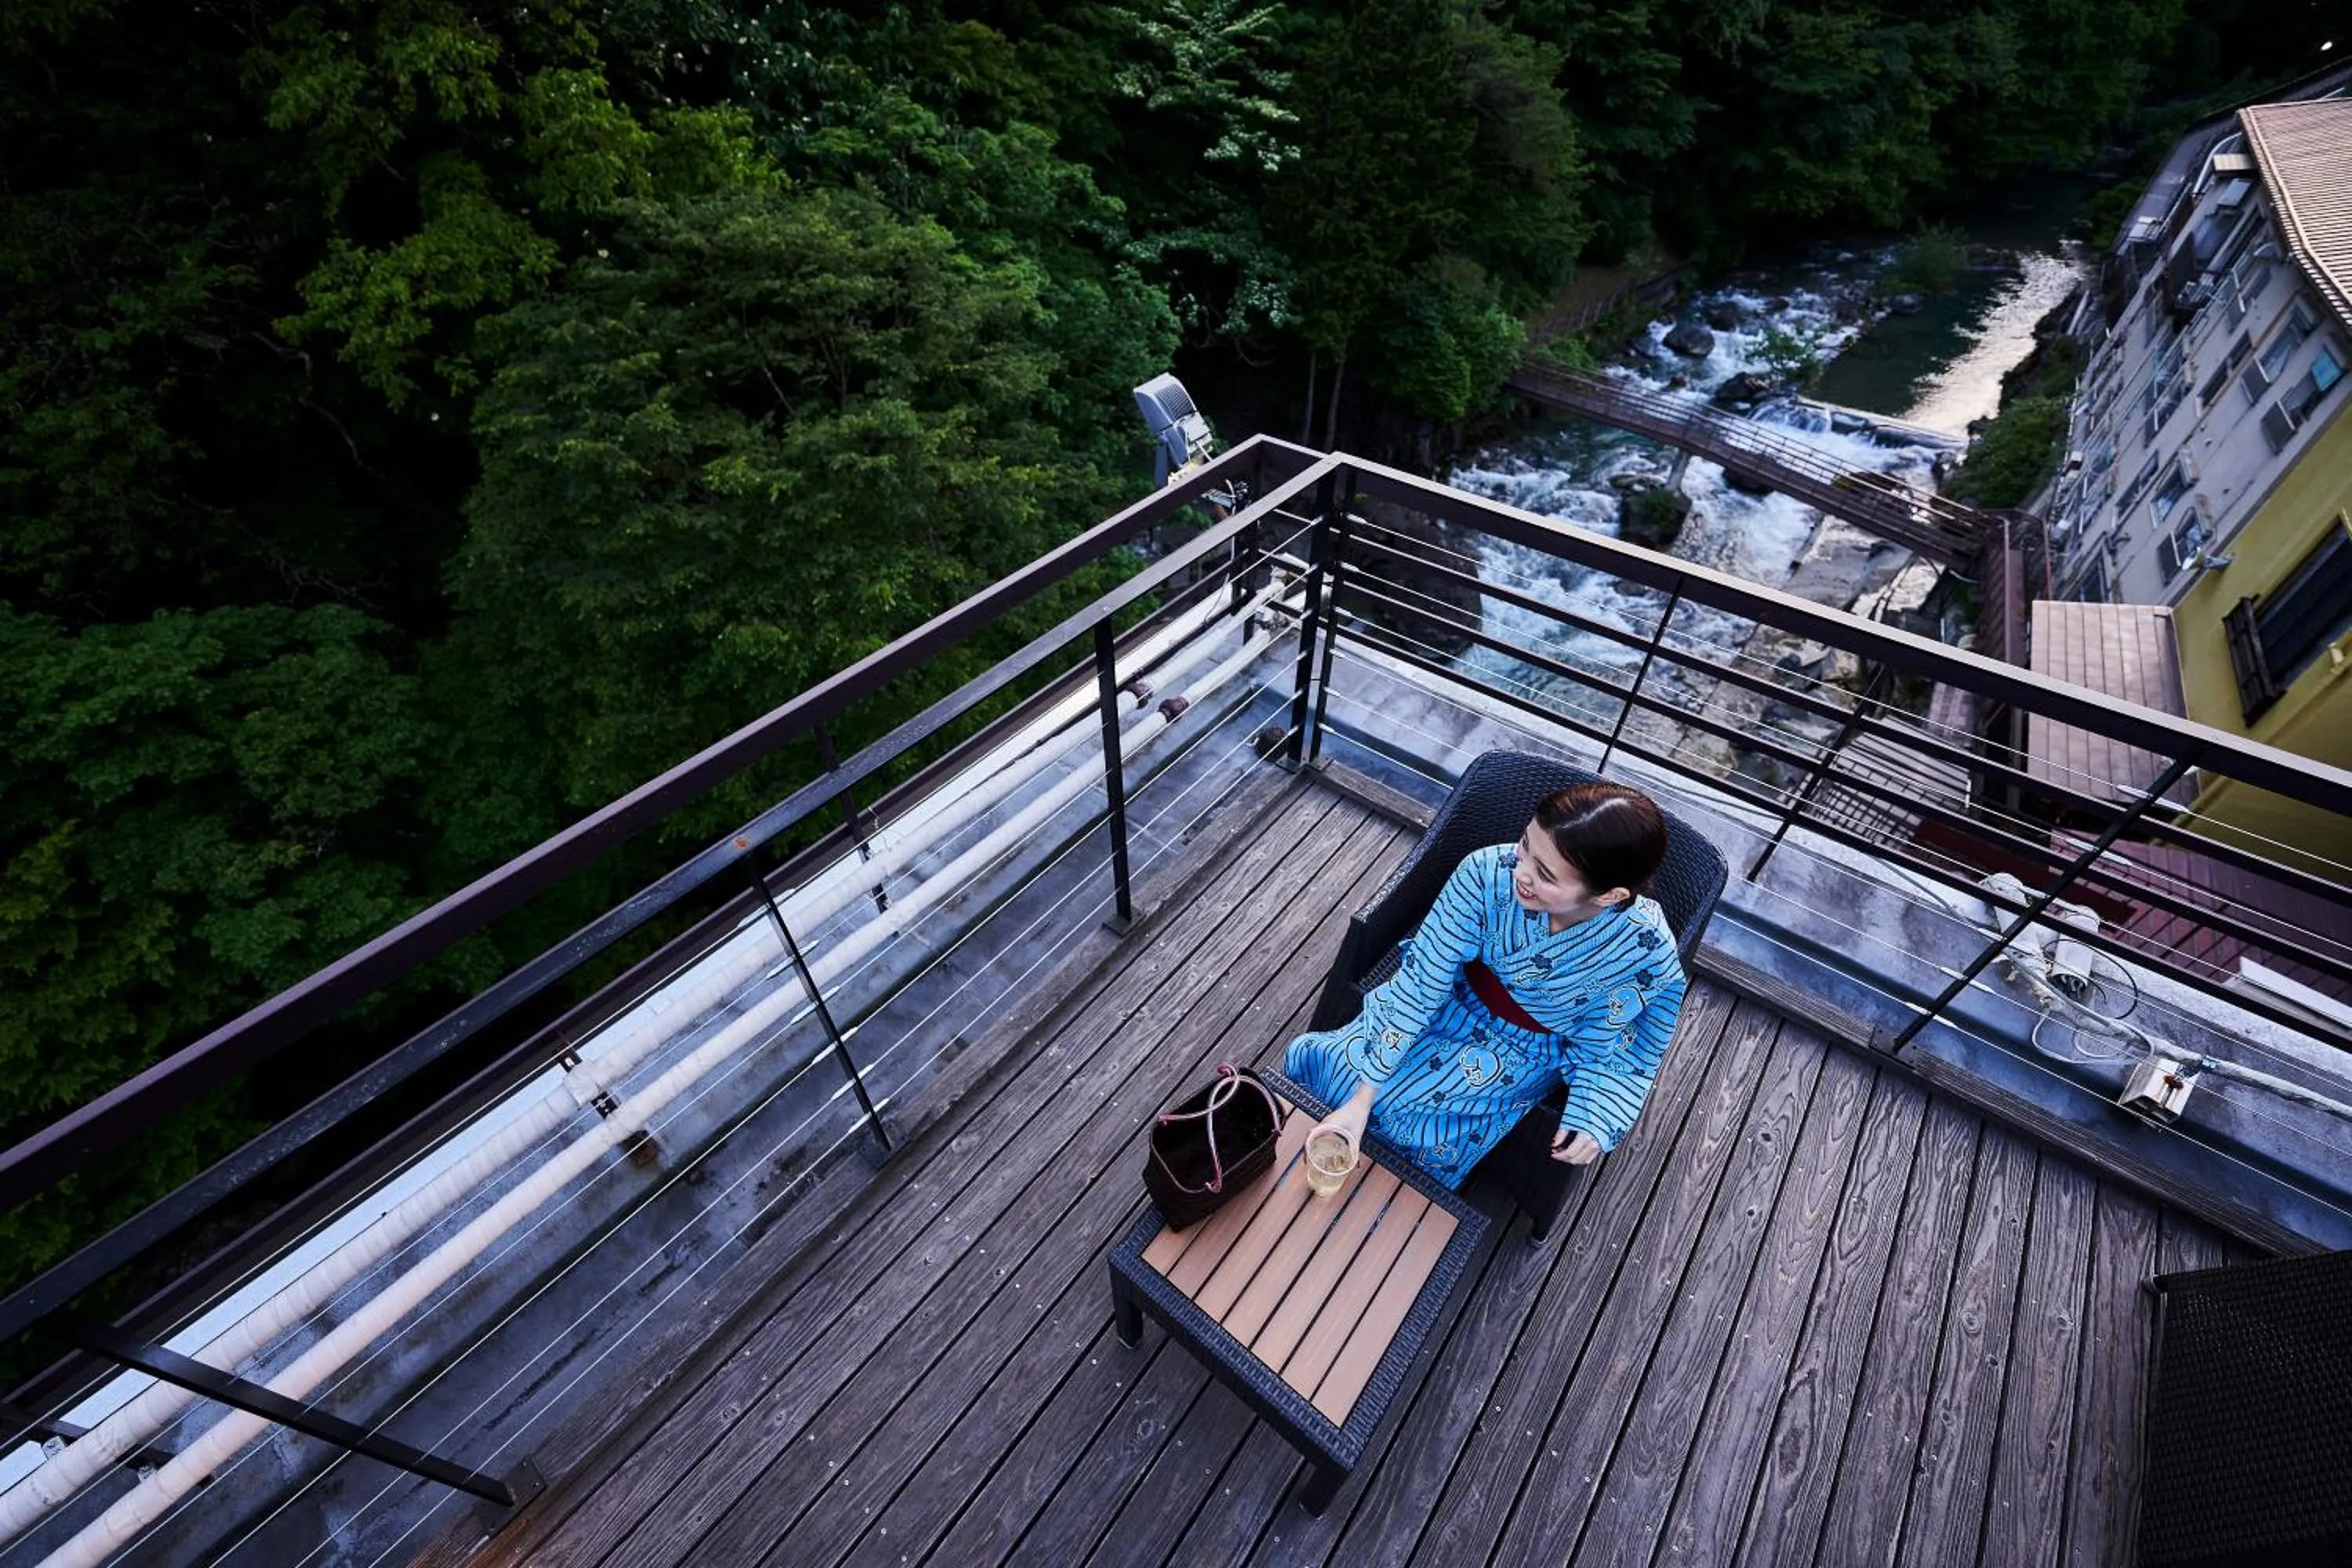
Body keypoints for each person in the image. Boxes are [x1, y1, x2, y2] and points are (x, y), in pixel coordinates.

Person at [1283, 782, 1687, 1189]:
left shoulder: (1643, 946)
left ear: (1608, 895)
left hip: (1523, 1049)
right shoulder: (1484, 872)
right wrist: (1361, 1096)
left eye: (1545, 874)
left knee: (1412, 1117)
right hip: (1448, 997)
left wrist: (1596, 1110)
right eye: (1525, 845)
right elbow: (1422, 983)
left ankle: (1395, 1201)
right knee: (1340, 1070)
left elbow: (1630, 1043)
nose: (1520, 873)